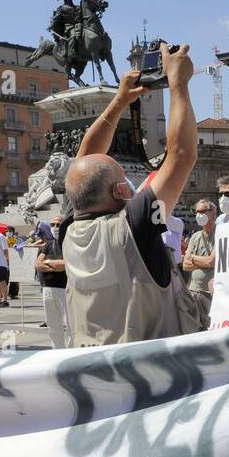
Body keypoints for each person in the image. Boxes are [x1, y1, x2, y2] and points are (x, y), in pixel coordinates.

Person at [62, 49, 202, 346]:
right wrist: (179, 83)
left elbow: (84, 162)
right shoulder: (135, 225)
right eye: (124, 177)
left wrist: (120, 101)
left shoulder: (69, 228)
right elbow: (181, 155)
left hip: (92, 366)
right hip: (154, 373)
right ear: (120, 191)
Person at [34, 221, 69, 348]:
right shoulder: (48, 244)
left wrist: (47, 263)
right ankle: (57, 350)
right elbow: (38, 264)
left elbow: (65, 265)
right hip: (48, 289)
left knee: (69, 324)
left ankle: (71, 352)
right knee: (53, 324)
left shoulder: (68, 242)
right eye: (52, 224)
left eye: (58, 224)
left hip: (64, 289)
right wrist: (54, 265)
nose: (54, 227)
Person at [184, 199, 217, 327]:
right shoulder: (195, 236)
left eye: (203, 211)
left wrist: (192, 257)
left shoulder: (220, 232)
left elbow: (211, 261)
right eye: (197, 211)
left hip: (210, 293)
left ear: (213, 214)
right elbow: (186, 265)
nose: (199, 214)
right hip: (193, 290)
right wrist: (202, 261)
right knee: (194, 328)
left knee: (211, 327)